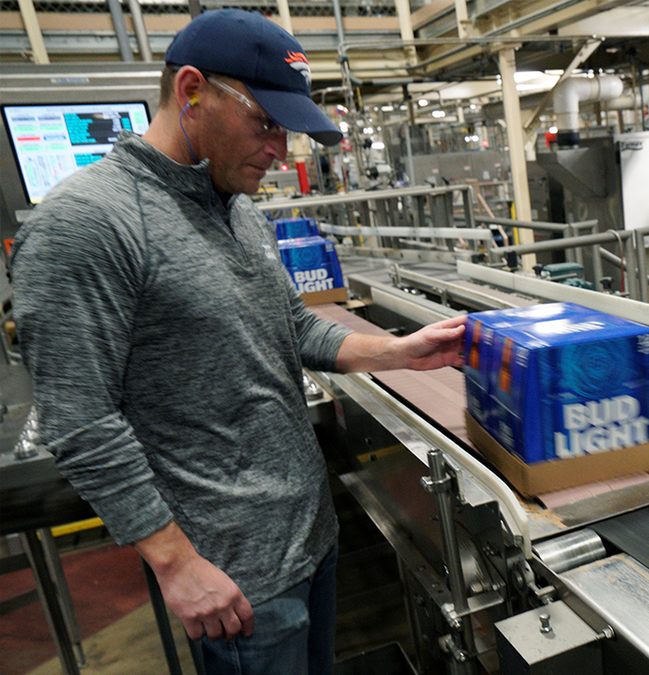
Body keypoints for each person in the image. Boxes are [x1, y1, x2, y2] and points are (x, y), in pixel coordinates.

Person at [9, 9, 465, 674]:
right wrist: (177, 562)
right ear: (192, 90)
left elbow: (294, 327)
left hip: (311, 538)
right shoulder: (87, 224)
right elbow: (81, 421)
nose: (281, 151)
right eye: (266, 122)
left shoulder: (241, 212)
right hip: (235, 578)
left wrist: (400, 351)